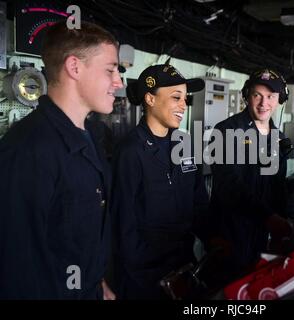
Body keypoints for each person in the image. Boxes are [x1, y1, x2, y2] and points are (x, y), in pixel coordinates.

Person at [0, 21, 123, 299]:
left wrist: (97, 283)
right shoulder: (28, 150)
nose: (119, 82)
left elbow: (77, 238)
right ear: (74, 67)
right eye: (110, 69)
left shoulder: (91, 134)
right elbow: (16, 269)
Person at [111, 64, 209, 299]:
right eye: (176, 97)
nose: (183, 105)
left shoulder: (185, 144)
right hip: (145, 276)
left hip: (183, 264)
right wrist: (145, 275)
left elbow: (199, 202)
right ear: (150, 99)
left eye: (185, 98)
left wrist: (214, 238)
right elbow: (123, 226)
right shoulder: (131, 151)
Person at [208, 68, 293, 285]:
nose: (264, 103)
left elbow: (277, 188)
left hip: (263, 236)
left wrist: (281, 230)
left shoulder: (278, 138)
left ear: (280, 99)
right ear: (247, 96)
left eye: (271, 97)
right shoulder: (226, 131)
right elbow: (229, 186)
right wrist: (269, 217)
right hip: (229, 235)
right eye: (258, 95)